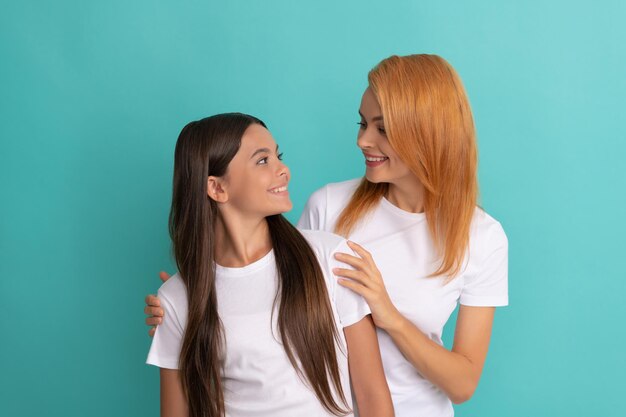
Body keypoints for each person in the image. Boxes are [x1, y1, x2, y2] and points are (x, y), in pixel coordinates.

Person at [146, 54, 508, 417]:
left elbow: (463, 384)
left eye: (381, 129)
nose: (362, 140)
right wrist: (194, 303)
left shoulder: (482, 237)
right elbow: (272, 296)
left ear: (426, 133)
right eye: (362, 123)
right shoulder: (330, 207)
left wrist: (389, 315)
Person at [145, 113, 393, 417]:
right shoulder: (176, 299)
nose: (283, 170)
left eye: (279, 156)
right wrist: (180, 309)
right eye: (263, 161)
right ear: (217, 188)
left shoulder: (331, 259)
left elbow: (372, 397)